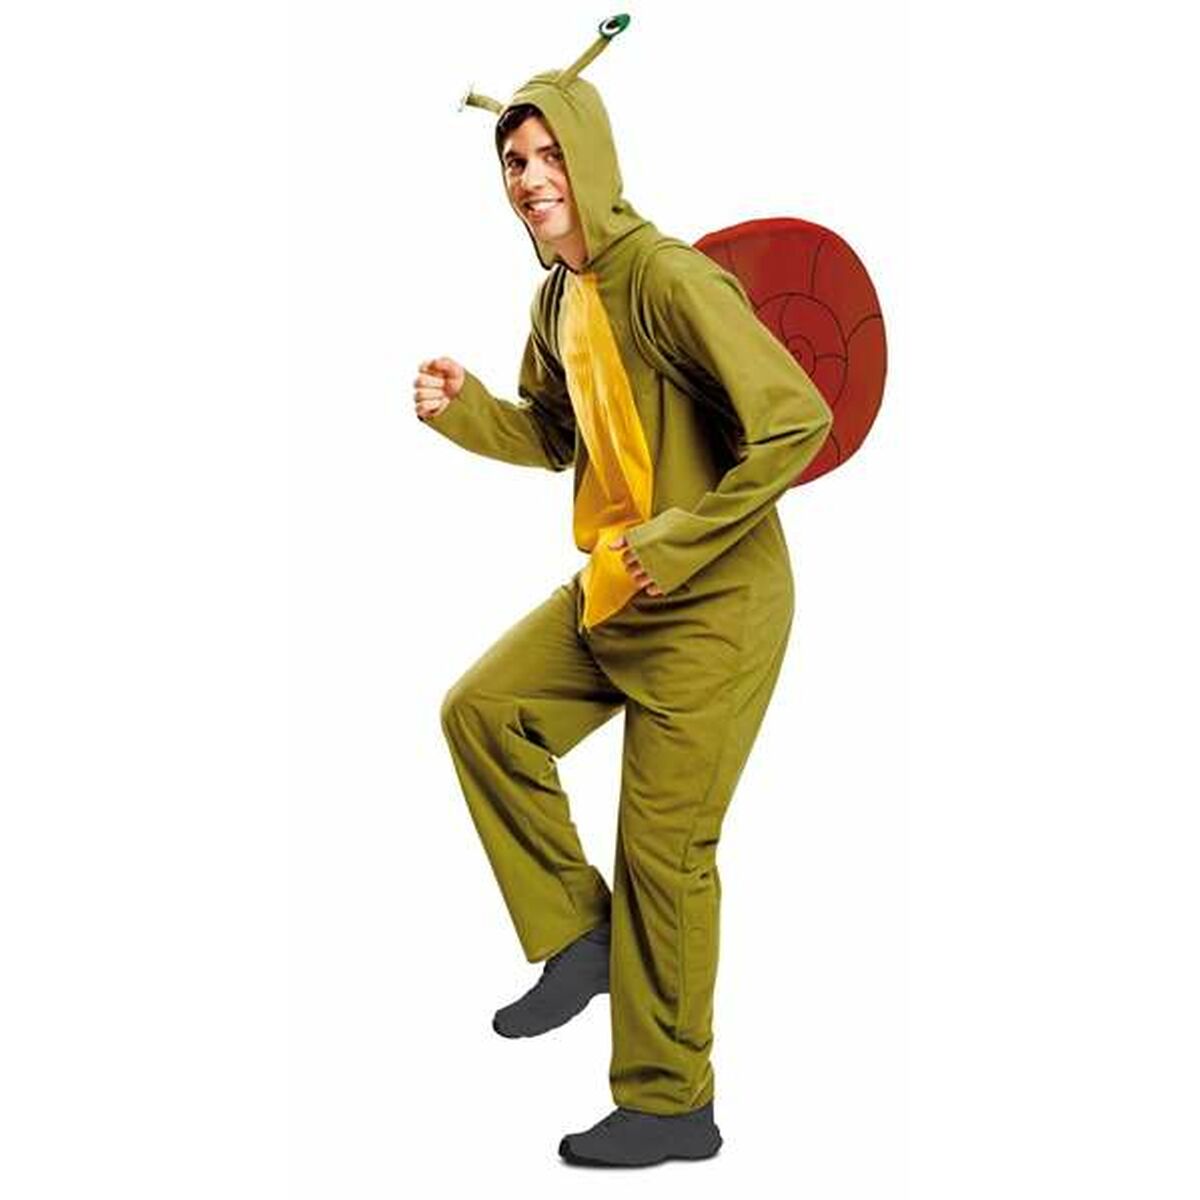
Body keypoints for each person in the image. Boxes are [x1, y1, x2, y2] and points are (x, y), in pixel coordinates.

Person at [413, 32, 833, 1168]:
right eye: (514, 162)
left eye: (550, 154)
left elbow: (799, 418)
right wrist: (467, 409)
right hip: (619, 589)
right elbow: (556, 436)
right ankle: (580, 936)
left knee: (664, 855)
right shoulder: (557, 297)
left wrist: (681, 539)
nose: (531, 177)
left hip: (716, 606)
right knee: (482, 711)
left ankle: (669, 1103)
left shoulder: (670, 277)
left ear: (591, 158)